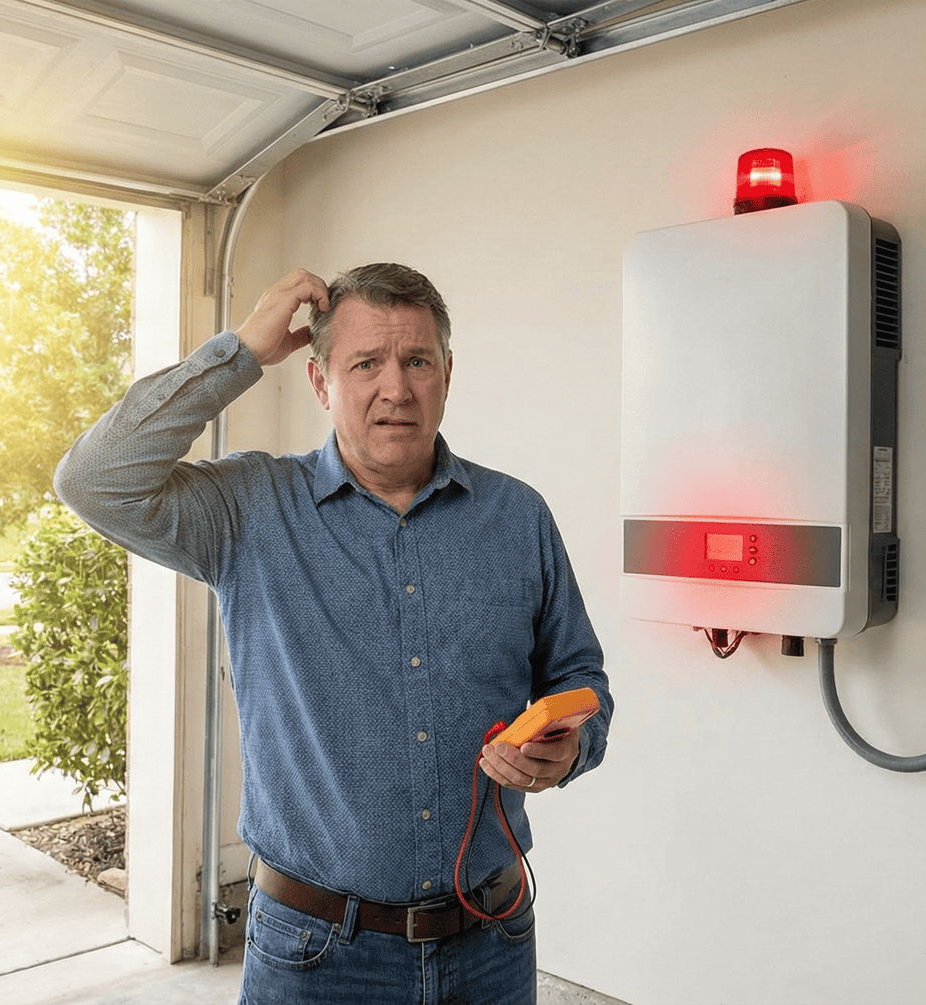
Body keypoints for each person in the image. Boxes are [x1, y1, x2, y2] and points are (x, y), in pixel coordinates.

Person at [55, 263, 613, 1003]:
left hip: (493, 939)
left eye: (417, 360)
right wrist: (243, 350)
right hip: (315, 956)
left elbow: (582, 681)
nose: (397, 387)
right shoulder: (250, 509)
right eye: (366, 364)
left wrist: (572, 743)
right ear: (319, 382)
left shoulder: (518, 517)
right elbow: (94, 479)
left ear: (447, 373)